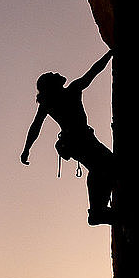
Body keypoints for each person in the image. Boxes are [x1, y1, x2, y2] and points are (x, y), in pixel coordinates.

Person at [20, 50, 117, 225]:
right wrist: (110, 54)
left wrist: (27, 150)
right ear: (52, 84)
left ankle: (98, 209)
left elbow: (35, 127)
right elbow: (93, 72)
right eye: (53, 75)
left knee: (103, 166)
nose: (57, 73)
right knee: (106, 166)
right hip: (81, 140)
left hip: (75, 142)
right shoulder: (72, 90)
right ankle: (97, 211)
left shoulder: (49, 103)